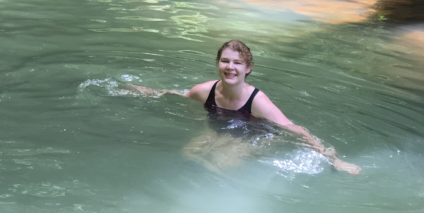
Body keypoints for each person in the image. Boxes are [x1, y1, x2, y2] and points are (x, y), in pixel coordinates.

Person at [135, 40, 361, 174]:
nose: (230, 67)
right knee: (188, 154)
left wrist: (335, 159)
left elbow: (295, 129)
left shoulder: (258, 101)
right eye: (225, 61)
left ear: (248, 68)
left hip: (257, 135)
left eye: (237, 62)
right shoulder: (204, 91)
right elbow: (180, 94)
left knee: (222, 163)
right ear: (218, 64)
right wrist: (149, 92)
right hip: (220, 129)